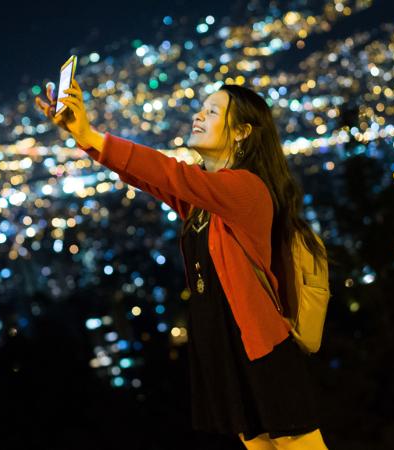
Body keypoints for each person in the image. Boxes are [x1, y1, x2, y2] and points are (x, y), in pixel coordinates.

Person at [35, 78, 330, 450]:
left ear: (242, 132)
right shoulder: (203, 203)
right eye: (201, 109)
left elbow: (170, 173)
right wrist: (81, 136)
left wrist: (91, 134)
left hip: (263, 349)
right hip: (226, 349)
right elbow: (148, 178)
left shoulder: (247, 189)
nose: (199, 116)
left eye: (212, 112)